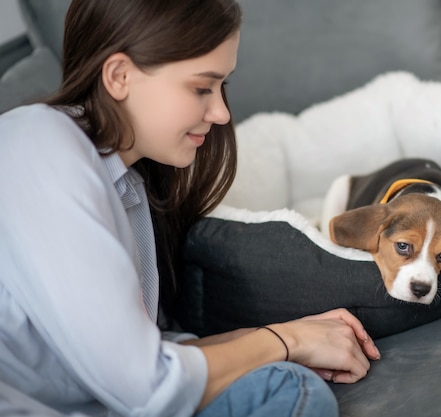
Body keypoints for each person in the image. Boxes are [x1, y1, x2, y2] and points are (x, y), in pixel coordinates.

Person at [0, 1, 380, 416]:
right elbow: (148, 385)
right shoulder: (39, 144)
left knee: (284, 381)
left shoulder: (127, 188)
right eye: (202, 88)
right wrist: (287, 343)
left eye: (222, 88)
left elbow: (152, 354)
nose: (220, 113)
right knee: (287, 390)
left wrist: (289, 337)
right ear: (119, 76)